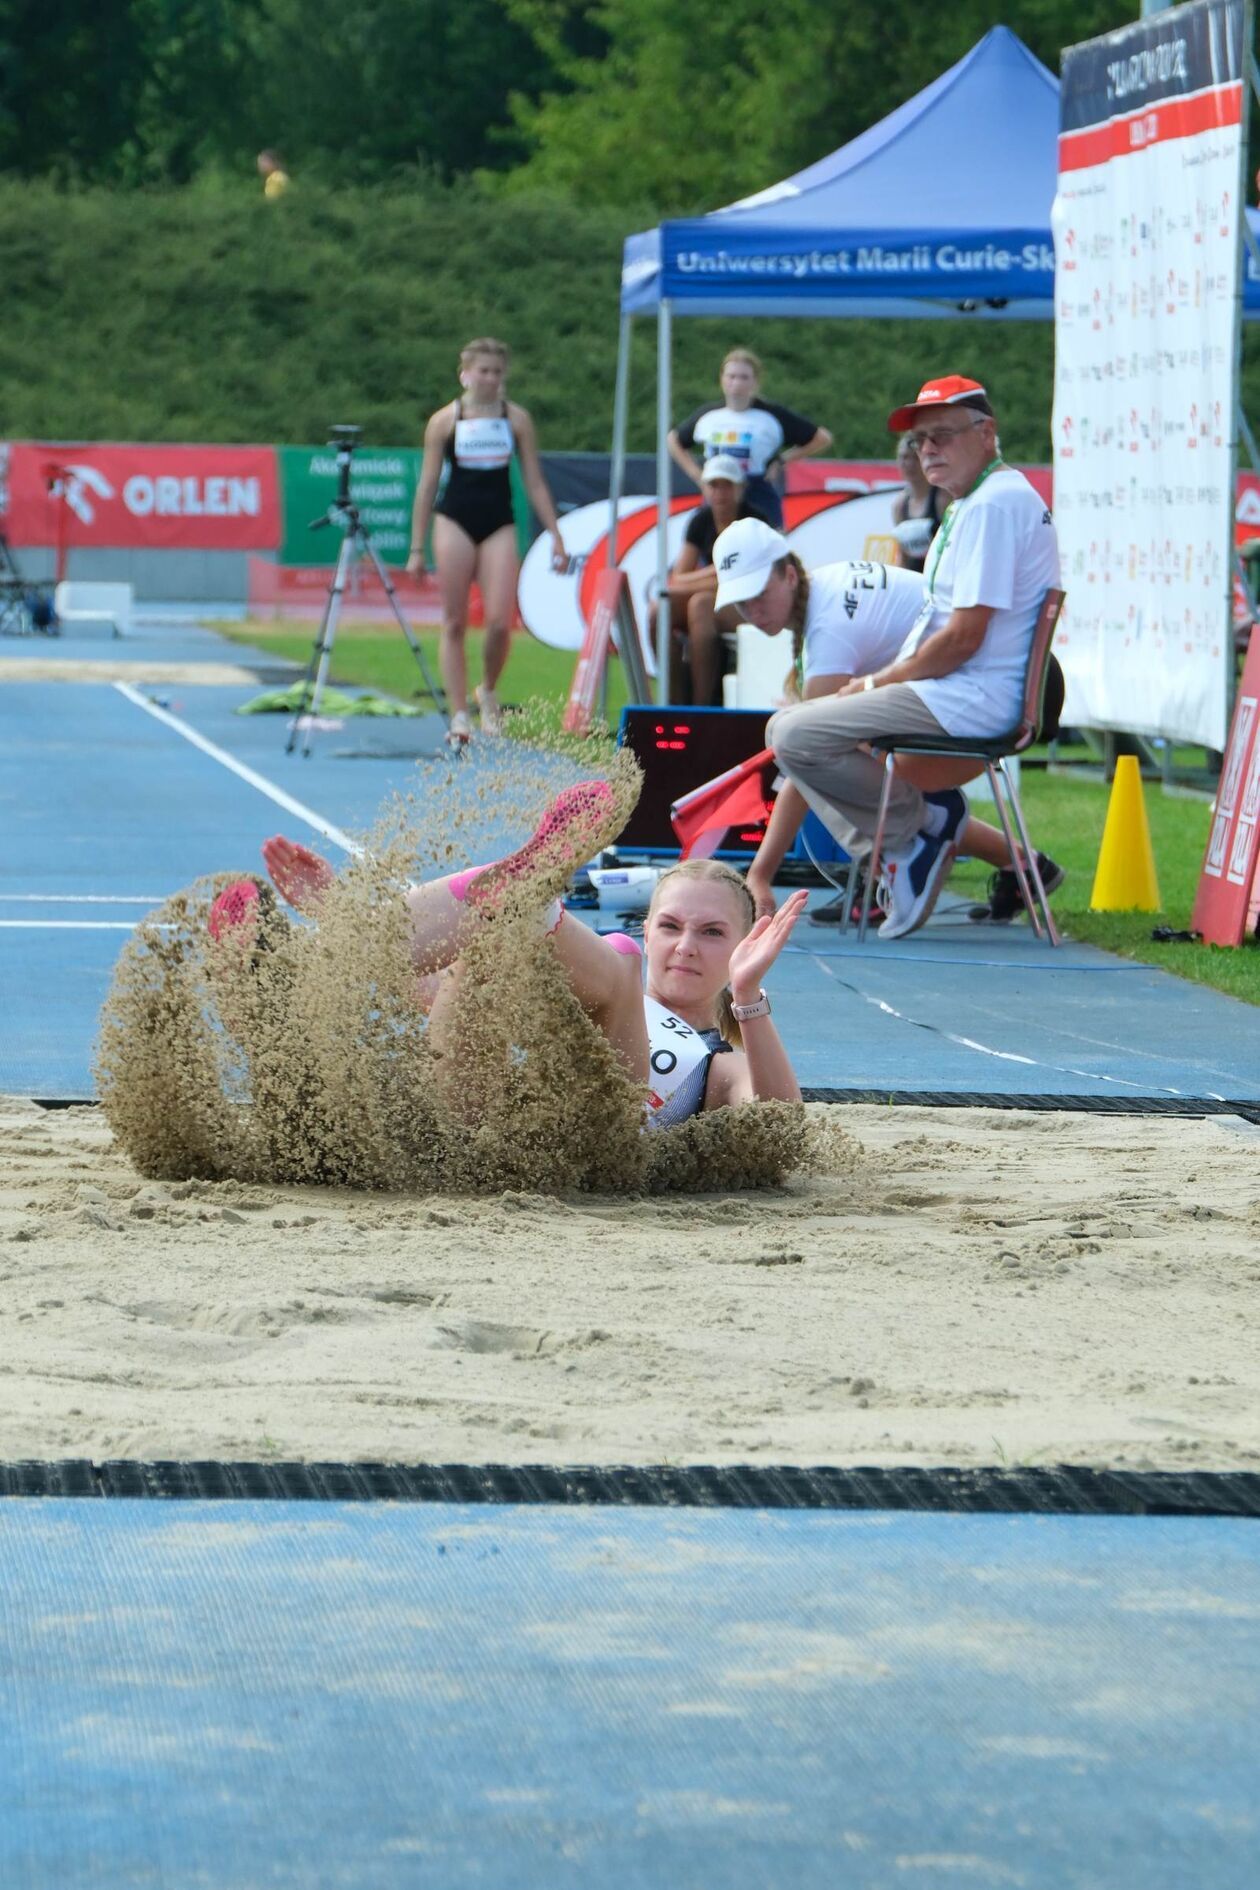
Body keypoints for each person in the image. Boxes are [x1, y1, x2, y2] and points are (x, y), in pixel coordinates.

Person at [209, 780, 808, 1127]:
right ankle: (284, 991)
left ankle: (529, 897)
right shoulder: (568, 981)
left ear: (742, 949)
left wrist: (750, 997)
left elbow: (780, 1126)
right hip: (482, 1115)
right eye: (671, 926)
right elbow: (428, 996)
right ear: (652, 928)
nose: (684, 946)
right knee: (490, 949)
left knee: (615, 959)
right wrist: (338, 912)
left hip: (590, 1143)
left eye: (711, 934)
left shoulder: (721, 1063)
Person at [737, 376, 1063, 941]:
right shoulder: (981, 501)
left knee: (792, 737)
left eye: (942, 435)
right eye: (920, 441)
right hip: (962, 690)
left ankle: (913, 840)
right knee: (792, 731)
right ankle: (923, 833)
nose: (928, 449)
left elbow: (963, 637)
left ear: (987, 433)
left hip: (970, 697)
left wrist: (871, 686)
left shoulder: (991, 505)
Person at [711, 520, 1053, 925]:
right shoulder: (823, 592)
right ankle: (1019, 866)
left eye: (758, 595)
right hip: (999, 691)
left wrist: (760, 874)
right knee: (867, 778)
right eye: (741, 602)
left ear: (788, 574)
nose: (752, 611)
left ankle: (894, 858)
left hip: (987, 704)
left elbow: (801, 770)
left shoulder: (828, 629)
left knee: (814, 753)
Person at [406, 338, 567, 745]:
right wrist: (415, 548)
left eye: (497, 372)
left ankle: (488, 690)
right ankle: (459, 715)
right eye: (483, 371)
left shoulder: (517, 420)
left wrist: (556, 534)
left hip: (498, 521)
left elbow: (533, 479)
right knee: (455, 621)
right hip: (455, 518)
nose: (491, 379)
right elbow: (426, 485)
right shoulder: (445, 421)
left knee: (499, 621)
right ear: (465, 374)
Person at [668, 348, 831, 529]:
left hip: (755, 489)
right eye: (731, 376)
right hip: (718, 491)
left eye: (744, 377)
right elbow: (674, 440)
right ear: (722, 379)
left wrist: (782, 460)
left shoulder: (771, 416)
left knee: (768, 547)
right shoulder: (709, 416)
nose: (736, 383)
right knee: (714, 548)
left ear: (755, 382)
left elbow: (821, 438)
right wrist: (697, 475)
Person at [665, 454, 770, 704]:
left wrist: (711, 577)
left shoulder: (754, 522)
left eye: (727, 485)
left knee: (700, 604)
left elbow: (746, 582)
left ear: (740, 489)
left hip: (752, 604)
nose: (720, 493)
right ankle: (673, 702)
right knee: (661, 609)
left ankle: (702, 706)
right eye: (714, 485)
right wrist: (714, 573)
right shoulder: (700, 521)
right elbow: (676, 580)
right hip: (723, 597)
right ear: (705, 489)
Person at [889, 434, 949, 574]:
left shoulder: (942, 499)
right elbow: (902, 555)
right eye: (904, 457)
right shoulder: (899, 505)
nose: (909, 464)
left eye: (915, 458)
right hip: (913, 580)